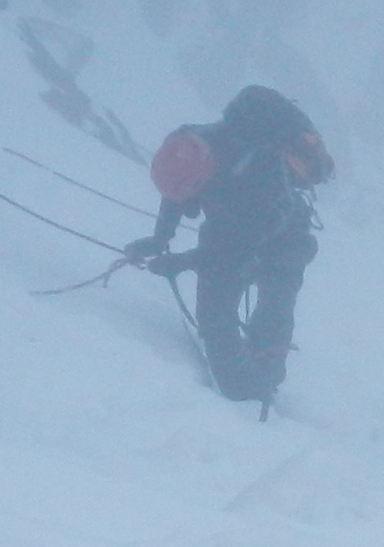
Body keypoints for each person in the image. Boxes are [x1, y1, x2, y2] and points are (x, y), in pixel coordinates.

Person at [132, 86, 330, 406]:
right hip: (228, 218)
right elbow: (175, 194)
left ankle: (263, 376)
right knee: (220, 305)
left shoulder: (258, 178)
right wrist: (160, 239)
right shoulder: (185, 147)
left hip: (282, 230)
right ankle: (238, 377)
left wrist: (183, 261)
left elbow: (231, 251)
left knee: (276, 284)